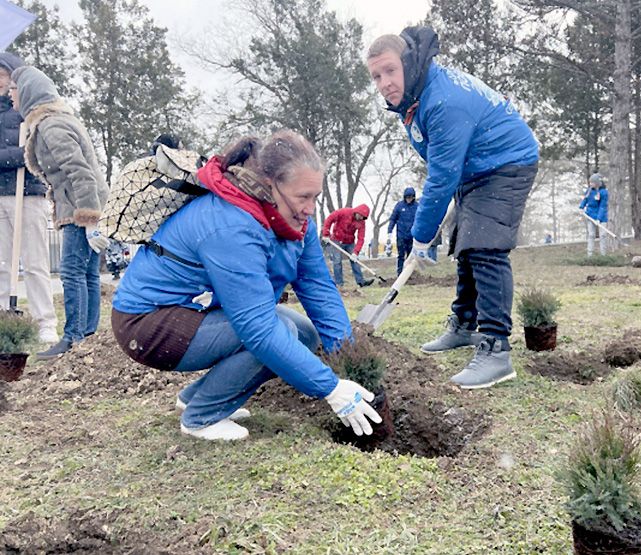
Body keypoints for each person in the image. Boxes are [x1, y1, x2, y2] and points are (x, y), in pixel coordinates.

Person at [111, 131, 382, 441]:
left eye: (315, 197)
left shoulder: (294, 220)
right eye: (303, 197)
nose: (310, 208)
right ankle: (201, 417)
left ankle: (196, 397)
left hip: (197, 310)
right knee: (279, 333)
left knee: (305, 333)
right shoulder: (231, 223)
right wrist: (331, 389)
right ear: (270, 185)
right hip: (148, 323)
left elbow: (316, 284)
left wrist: (347, 356)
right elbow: (256, 327)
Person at [367, 27, 539, 389]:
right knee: (466, 247)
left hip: (506, 164)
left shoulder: (443, 100)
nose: (383, 83)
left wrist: (421, 235)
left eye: (390, 71)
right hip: (475, 168)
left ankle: (496, 350)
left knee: (486, 248)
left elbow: (441, 176)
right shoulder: (416, 96)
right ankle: (464, 325)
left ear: (409, 65)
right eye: (376, 76)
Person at [10, 66, 109, 359]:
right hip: (80, 202)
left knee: (71, 271)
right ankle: (87, 335)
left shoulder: (52, 126)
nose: (10, 97)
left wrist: (89, 220)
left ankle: (73, 337)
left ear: (27, 92)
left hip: (81, 205)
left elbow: (81, 173)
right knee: (88, 272)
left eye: (13, 90)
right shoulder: (54, 121)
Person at [0, 53, 57, 343]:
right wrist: (13, 158)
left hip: (28, 194)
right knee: (1, 263)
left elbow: (35, 151)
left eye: (2, 75)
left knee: (35, 262)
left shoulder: (26, 110)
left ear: (13, 78)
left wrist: (18, 157)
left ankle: (45, 322)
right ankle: (3, 319)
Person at [321, 204, 374, 287]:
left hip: (350, 242)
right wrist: (326, 233)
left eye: (363, 217)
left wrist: (355, 252)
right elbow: (329, 219)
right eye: (360, 216)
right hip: (336, 239)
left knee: (355, 260)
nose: (361, 218)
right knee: (337, 261)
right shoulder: (344, 212)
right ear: (357, 212)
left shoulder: (361, 223)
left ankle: (361, 282)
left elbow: (361, 238)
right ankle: (339, 283)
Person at [386, 186, 418, 275]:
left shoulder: (417, 207)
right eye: (407, 197)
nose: (409, 199)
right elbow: (393, 219)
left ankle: (409, 273)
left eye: (411, 197)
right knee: (401, 255)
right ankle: (400, 272)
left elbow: (420, 220)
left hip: (412, 235)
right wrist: (389, 231)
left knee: (411, 256)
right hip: (401, 235)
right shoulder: (399, 206)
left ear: (413, 197)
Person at [578, 173, 609, 256]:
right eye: (590, 182)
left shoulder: (604, 193)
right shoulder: (589, 191)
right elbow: (585, 200)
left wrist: (599, 218)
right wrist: (581, 207)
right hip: (590, 215)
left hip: (602, 217)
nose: (590, 184)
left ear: (597, 183)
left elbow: (602, 207)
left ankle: (603, 255)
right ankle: (590, 254)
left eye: (592, 182)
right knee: (591, 235)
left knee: (603, 235)